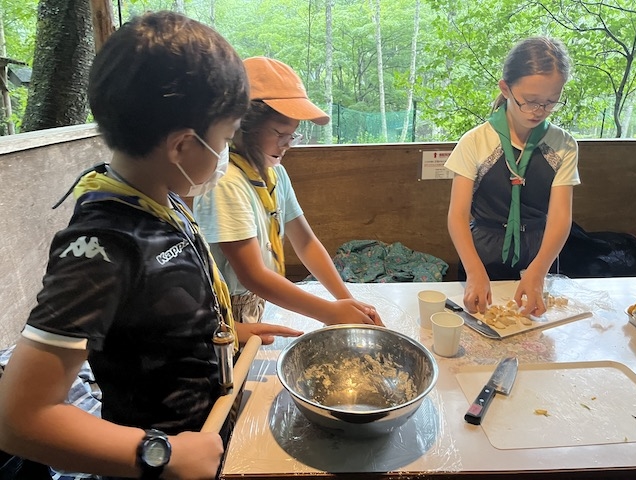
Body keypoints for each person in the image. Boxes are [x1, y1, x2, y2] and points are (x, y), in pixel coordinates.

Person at [0, 11, 301, 480]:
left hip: (208, 432)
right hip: (161, 464)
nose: (225, 155)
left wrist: (219, 336)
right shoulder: (101, 244)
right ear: (182, 146)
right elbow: (19, 419)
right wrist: (160, 455)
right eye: (224, 140)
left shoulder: (162, 200)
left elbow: (153, 311)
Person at [192, 57, 383, 327]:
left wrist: (346, 302)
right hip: (227, 309)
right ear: (242, 125)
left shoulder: (275, 173)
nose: (288, 144)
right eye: (281, 133)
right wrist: (329, 312)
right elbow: (253, 276)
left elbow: (305, 241)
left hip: (260, 298)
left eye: (293, 135)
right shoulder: (226, 184)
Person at [445, 37, 579, 317]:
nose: (539, 112)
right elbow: (457, 216)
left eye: (550, 103)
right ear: (506, 89)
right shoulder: (475, 142)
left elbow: (560, 218)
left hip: (539, 254)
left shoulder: (564, 144)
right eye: (530, 102)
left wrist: (539, 271)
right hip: (481, 255)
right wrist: (474, 271)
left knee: (536, 336)